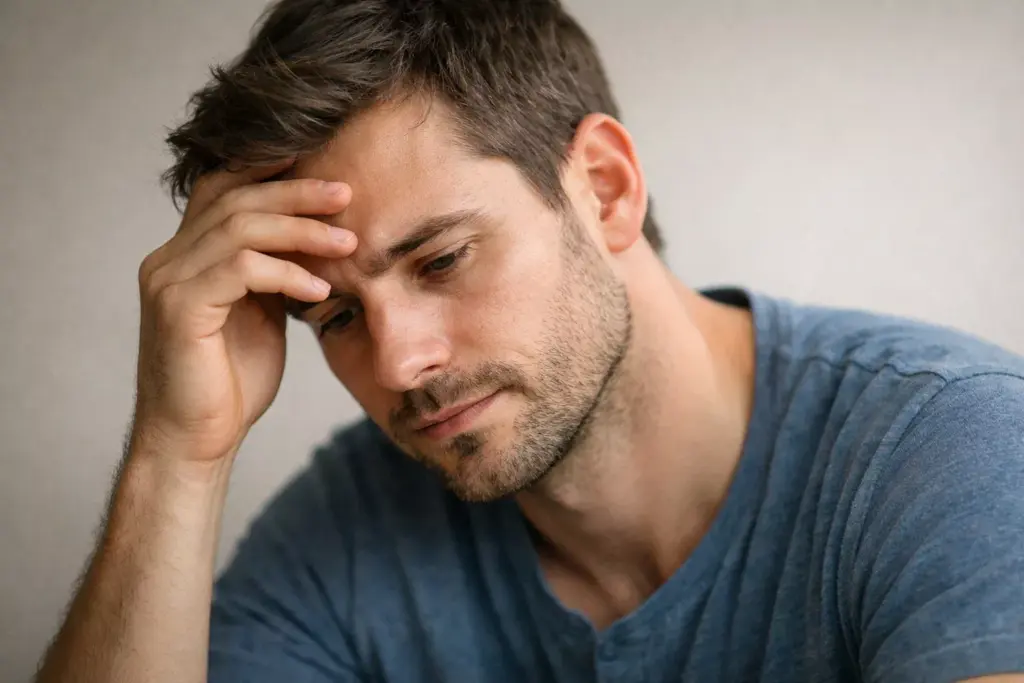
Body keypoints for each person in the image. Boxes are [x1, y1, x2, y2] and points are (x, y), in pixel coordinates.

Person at [35, 0, 1024, 681]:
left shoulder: (951, 449)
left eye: (441, 260)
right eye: (334, 315)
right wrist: (178, 450)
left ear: (602, 188)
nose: (397, 364)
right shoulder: (347, 529)